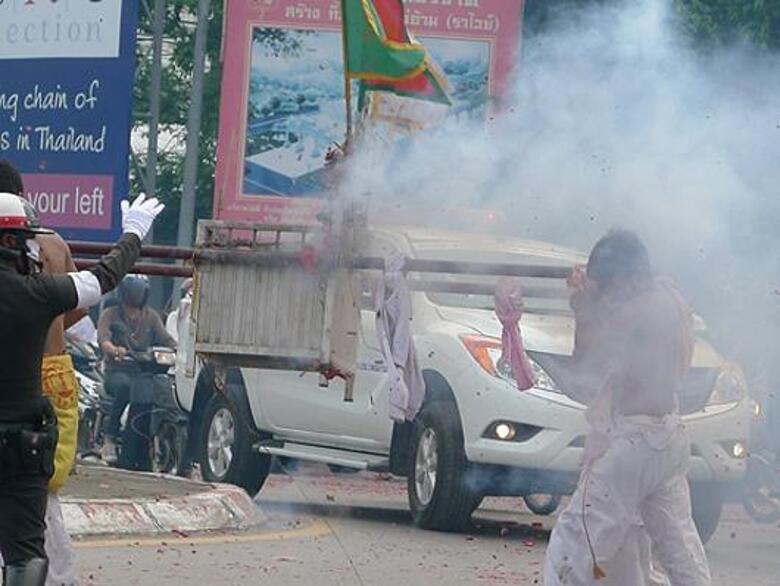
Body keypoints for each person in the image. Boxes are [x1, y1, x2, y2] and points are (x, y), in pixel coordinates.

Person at [0, 189, 163, 586]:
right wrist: (134, 235)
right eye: (29, 241)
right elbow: (102, 278)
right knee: (26, 558)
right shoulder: (37, 293)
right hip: (20, 449)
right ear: (8, 242)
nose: (36, 250)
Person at [544, 230, 711, 586]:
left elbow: (587, 362)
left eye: (607, 285)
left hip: (633, 443)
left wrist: (582, 306)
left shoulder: (638, 310)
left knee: (574, 546)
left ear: (627, 279)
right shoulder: (667, 298)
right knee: (680, 550)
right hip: (666, 436)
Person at [0, 160, 86, 586]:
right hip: (56, 372)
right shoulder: (54, 242)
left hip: (15, 378)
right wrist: (44, 328)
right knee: (43, 485)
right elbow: (81, 301)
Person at [98, 275, 177, 470]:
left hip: (143, 372)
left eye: (141, 292)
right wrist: (113, 349)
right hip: (117, 371)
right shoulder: (110, 314)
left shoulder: (151, 316)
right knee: (125, 387)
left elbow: (167, 339)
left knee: (162, 391)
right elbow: (103, 338)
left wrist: (179, 349)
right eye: (134, 292)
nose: (137, 296)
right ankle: (111, 436)